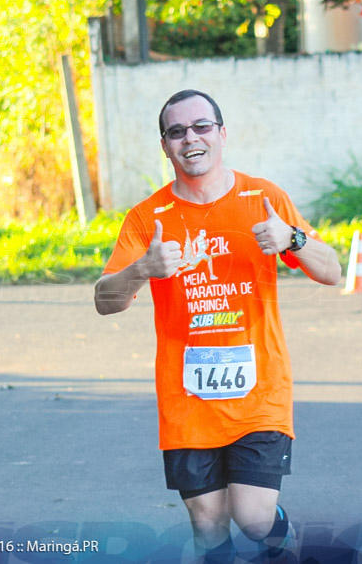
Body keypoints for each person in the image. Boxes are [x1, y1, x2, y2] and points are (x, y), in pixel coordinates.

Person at [94, 89, 342, 563]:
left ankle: (280, 542)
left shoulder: (264, 198)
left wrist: (292, 239)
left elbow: (332, 271)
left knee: (253, 519)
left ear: (222, 134)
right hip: (187, 401)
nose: (192, 138)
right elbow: (106, 300)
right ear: (165, 146)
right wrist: (141, 269)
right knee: (208, 525)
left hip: (259, 393)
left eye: (202, 126)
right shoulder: (147, 218)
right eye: (177, 131)